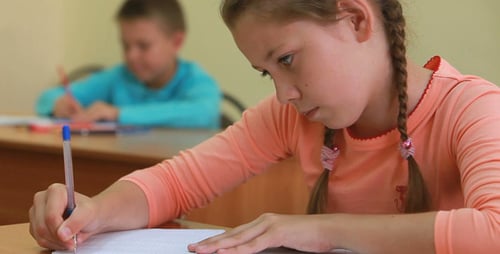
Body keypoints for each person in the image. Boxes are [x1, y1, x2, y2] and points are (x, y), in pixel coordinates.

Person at [29, 0, 500, 253]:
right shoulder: (290, 116)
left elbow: (494, 231)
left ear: (355, 19)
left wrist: (319, 231)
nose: (283, 94)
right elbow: (177, 181)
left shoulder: (471, 107)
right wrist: (95, 212)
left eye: (288, 60)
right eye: (267, 72)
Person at [35, 0, 221, 129]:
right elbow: (47, 97)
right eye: (125, 45)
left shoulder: (196, 80)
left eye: (143, 46)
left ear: (176, 42)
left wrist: (118, 114)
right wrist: (58, 103)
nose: (131, 56)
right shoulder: (119, 77)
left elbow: (203, 113)